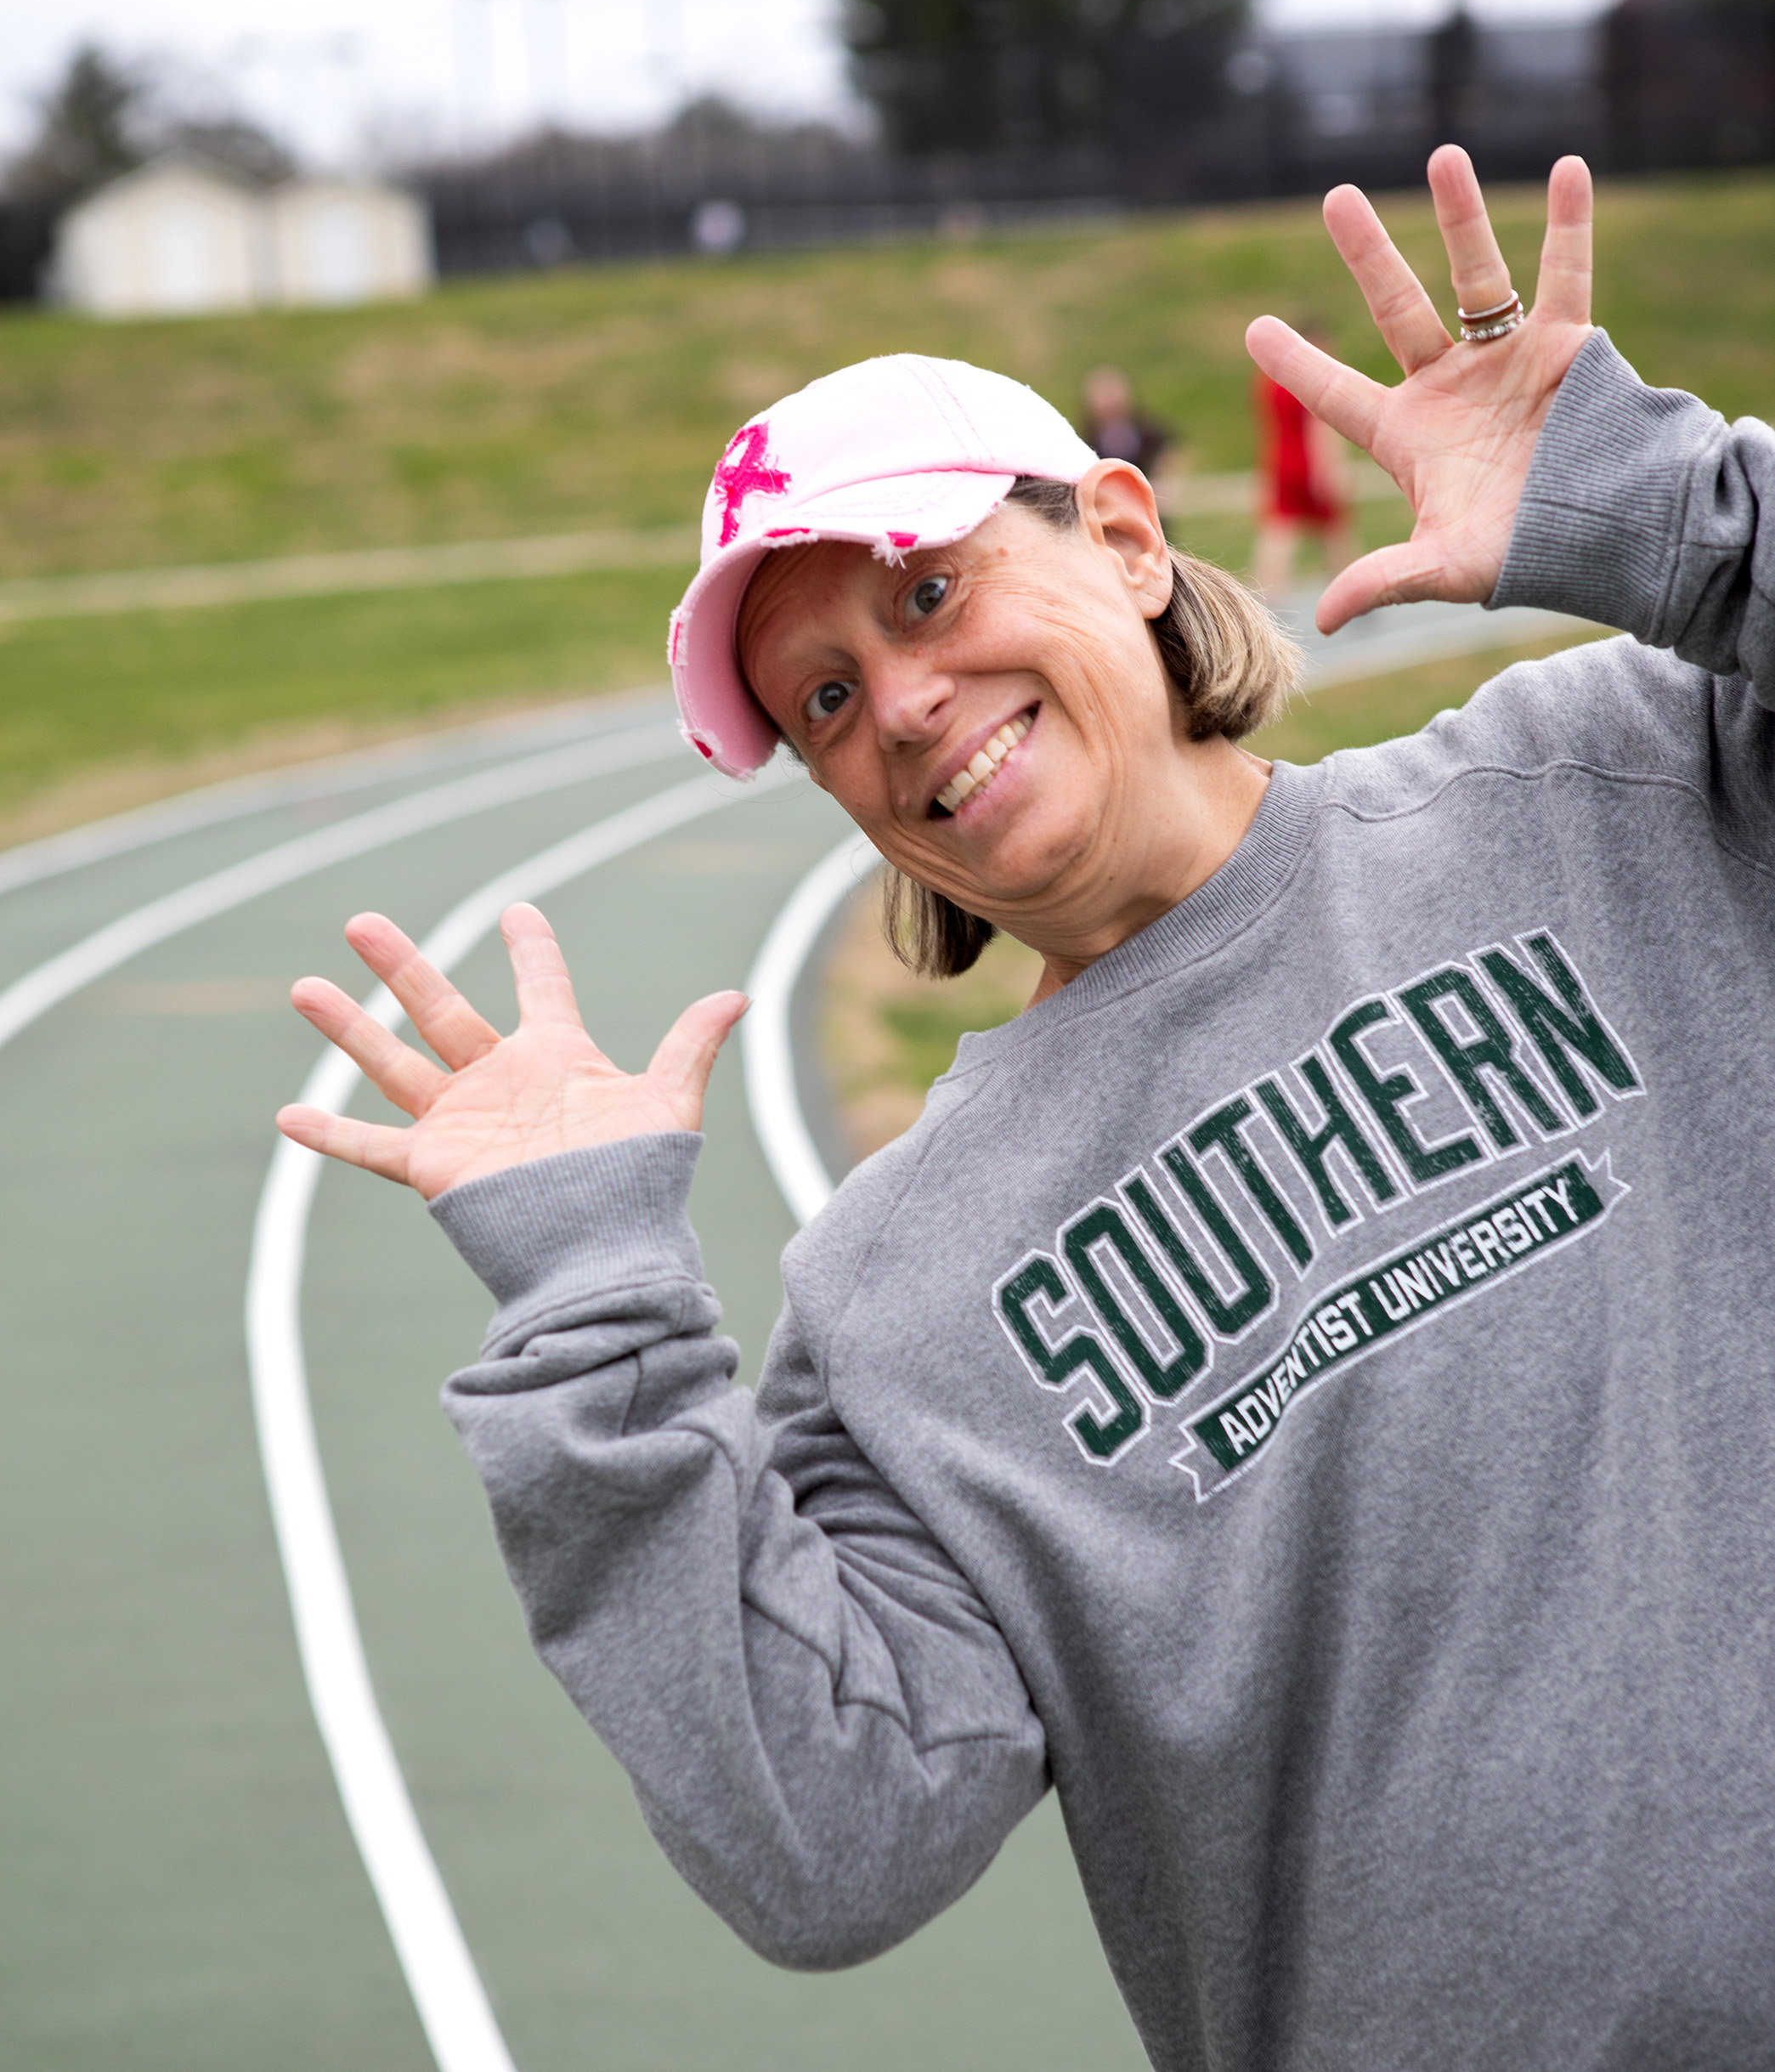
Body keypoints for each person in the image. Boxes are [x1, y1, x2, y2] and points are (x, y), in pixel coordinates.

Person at [277, 146, 1775, 2069]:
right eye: (817, 698)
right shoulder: (902, 1288)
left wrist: (1668, 518)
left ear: (1131, 540)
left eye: (925, 592)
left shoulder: (1621, 784)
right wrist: (589, 1318)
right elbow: (830, 1849)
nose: (894, 704)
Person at [1251, 319, 1357, 596]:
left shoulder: (1269, 379)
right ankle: (1355, 590)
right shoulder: (1313, 376)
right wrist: (1331, 471)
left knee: (1278, 533)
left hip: (1282, 462)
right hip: (1310, 464)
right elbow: (1320, 426)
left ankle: (1267, 595)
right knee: (1335, 532)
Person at [1081, 363, 1185, 524]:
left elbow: (1171, 447)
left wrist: (1163, 485)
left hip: (1147, 503)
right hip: (1111, 507)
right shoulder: (1089, 436)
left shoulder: (1142, 427)